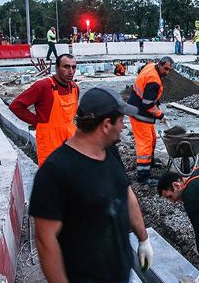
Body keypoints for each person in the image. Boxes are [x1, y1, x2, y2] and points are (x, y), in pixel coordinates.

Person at [30, 87, 154, 282]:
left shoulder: (110, 153)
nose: (124, 125)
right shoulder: (56, 171)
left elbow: (126, 194)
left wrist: (143, 238)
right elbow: (45, 241)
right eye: (121, 120)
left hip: (119, 274)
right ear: (106, 125)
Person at [10, 54, 79, 167]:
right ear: (56, 68)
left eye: (73, 67)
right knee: (51, 176)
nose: (71, 71)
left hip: (71, 138)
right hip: (49, 140)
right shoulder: (43, 86)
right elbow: (16, 106)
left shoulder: (75, 88)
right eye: (66, 67)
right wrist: (37, 122)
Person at [128, 57, 174, 185]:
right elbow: (147, 104)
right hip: (139, 114)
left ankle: (150, 163)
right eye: (165, 69)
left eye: (170, 70)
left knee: (153, 138)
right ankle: (143, 176)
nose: (167, 72)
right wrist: (161, 115)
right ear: (159, 65)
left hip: (139, 109)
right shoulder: (154, 80)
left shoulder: (150, 66)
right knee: (145, 145)